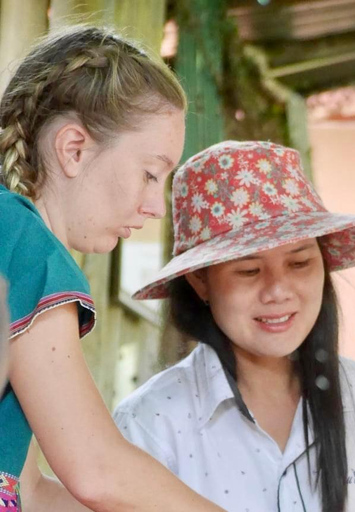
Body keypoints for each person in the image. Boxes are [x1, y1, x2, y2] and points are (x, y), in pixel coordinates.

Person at [113, 140, 355, 512]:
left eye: (299, 263)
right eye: (249, 270)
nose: (278, 291)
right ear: (200, 281)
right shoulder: (151, 424)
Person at [0, 25, 226, 512]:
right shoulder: (23, 242)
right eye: (150, 174)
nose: (155, 207)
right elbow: (96, 468)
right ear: (74, 149)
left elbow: (28, 492)